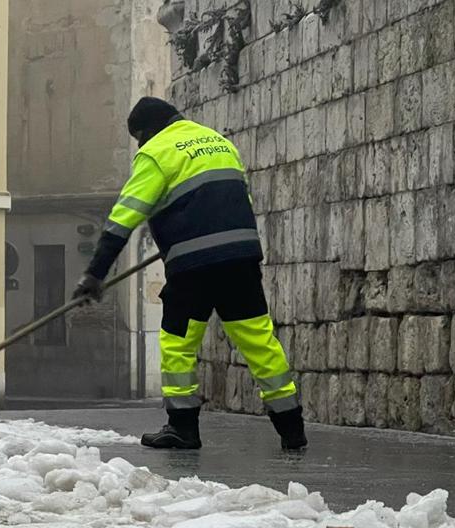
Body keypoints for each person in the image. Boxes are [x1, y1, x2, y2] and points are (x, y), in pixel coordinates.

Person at [72, 96, 307, 452]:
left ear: (148, 130)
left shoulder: (157, 152)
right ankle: (292, 430)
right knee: (259, 341)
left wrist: (95, 273)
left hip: (194, 266)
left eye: (139, 137)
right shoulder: (218, 142)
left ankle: (182, 428)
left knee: (177, 343)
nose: (141, 145)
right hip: (240, 258)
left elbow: (124, 217)